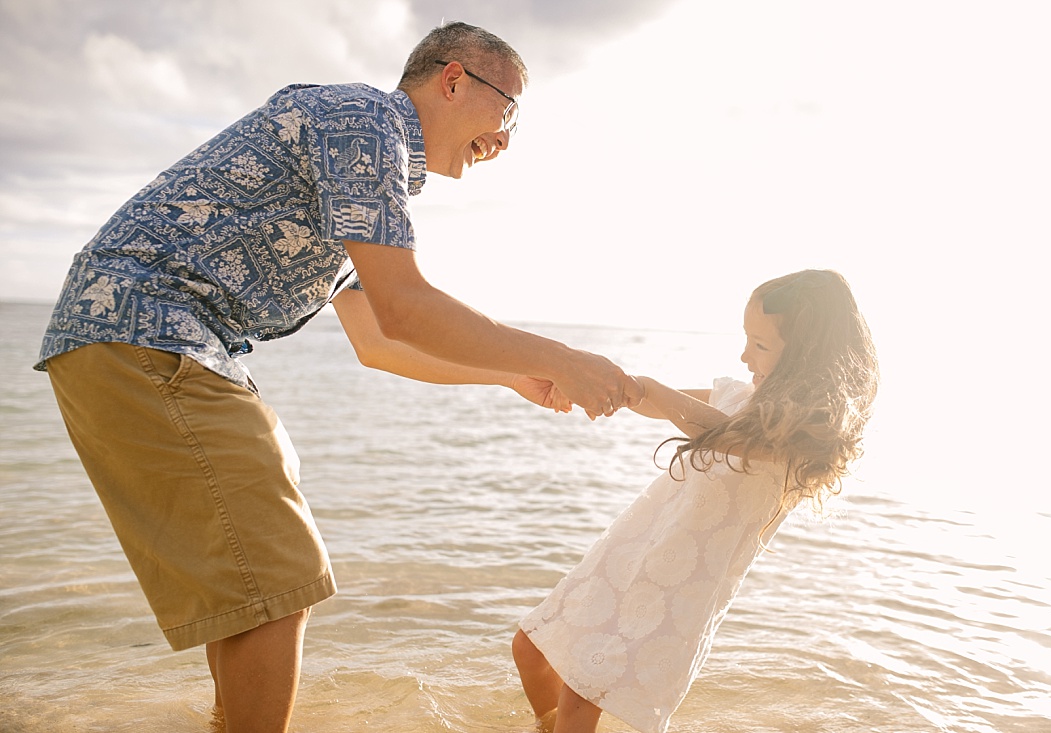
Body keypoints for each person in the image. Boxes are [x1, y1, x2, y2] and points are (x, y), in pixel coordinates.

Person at [34, 21, 640, 733]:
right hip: (148, 326)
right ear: (453, 80)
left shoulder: (360, 168)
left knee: (252, 584)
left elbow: (379, 339)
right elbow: (406, 306)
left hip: (141, 335)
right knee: (281, 576)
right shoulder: (364, 122)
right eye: (507, 111)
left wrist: (508, 376)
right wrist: (559, 358)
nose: (505, 139)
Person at [511, 269, 879, 733]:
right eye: (747, 339)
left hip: (676, 585)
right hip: (628, 554)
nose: (745, 355)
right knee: (530, 647)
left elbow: (725, 435)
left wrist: (652, 389)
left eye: (761, 345)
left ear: (807, 354)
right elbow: (656, 403)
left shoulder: (801, 433)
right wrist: (604, 386)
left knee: (585, 693)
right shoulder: (737, 397)